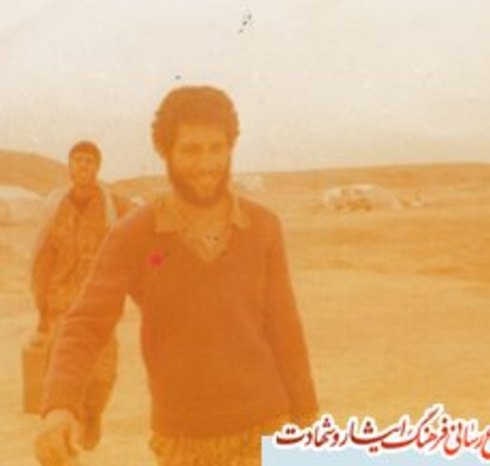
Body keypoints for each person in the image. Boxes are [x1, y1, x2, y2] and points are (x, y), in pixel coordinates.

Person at [34, 85, 319, 466]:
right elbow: (86, 323)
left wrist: (307, 417)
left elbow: (285, 328)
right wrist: (60, 405)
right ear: (164, 150)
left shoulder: (263, 227)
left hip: (267, 430)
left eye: (217, 148)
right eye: (191, 149)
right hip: (182, 444)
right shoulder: (134, 234)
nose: (206, 163)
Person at [29, 140, 129, 451]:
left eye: (89, 161)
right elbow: (42, 257)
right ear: (70, 166)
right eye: (78, 160)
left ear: (97, 168)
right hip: (60, 302)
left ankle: (93, 411)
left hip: (99, 301)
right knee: (59, 369)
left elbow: (134, 243)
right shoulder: (54, 206)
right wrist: (42, 309)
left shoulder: (115, 206)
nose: (83, 166)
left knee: (103, 369)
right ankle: (61, 432)